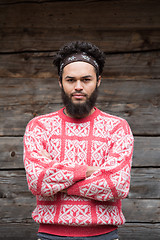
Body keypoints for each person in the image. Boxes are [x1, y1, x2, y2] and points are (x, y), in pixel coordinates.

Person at [23, 41, 134, 240]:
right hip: (50, 235)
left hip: (104, 236)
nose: (78, 87)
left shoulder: (117, 127)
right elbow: (37, 182)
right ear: (60, 82)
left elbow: (116, 186)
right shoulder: (39, 126)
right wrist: (88, 171)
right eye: (71, 80)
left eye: (86, 79)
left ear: (98, 81)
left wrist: (58, 180)